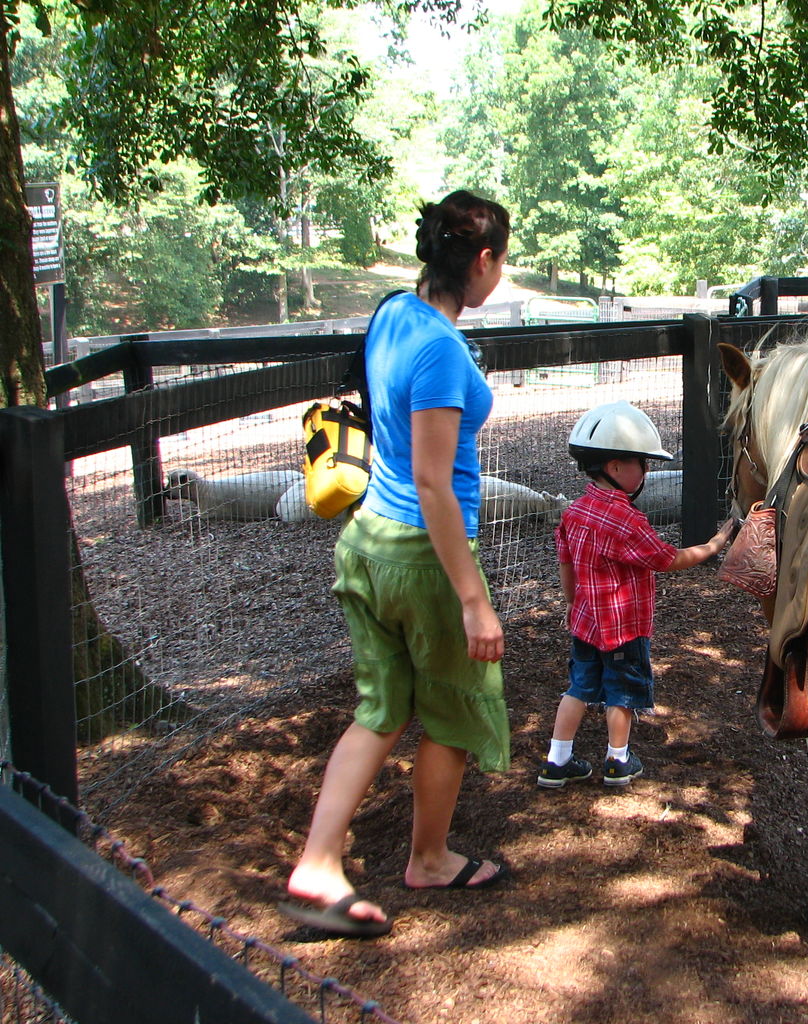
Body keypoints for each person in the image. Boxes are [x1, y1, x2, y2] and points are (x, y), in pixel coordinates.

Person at [280, 190, 512, 938]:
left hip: (367, 541)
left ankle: (317, 864)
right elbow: (432, 483)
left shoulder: (390, 312)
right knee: (448, 712)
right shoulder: (442, 349)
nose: (500, 272)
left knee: (380, 711)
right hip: (423, 555)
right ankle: (431, 858)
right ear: (481, 260)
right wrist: (473, 599)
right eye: (501, 260)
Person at [538, 402, 737, 788]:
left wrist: (569, 603)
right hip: (623, 630)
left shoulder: (574, 512)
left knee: (578, 688)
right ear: (615, 467)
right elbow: (667, 559)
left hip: (584, 624)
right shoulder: (626, 520)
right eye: (642, 463)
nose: (647, 471)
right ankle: (618, 760)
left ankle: (557, 761)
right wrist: (713, 546)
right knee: (622, 693)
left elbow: (566, 564)